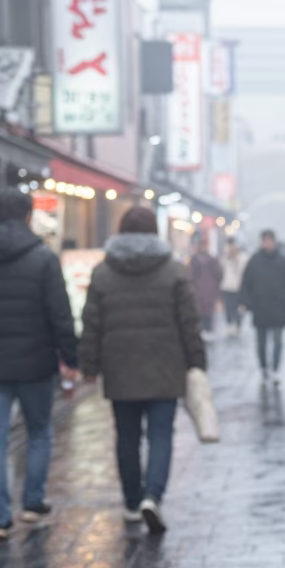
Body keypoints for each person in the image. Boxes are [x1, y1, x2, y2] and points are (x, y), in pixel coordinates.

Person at [0, 187, 78, 541]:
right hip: (36, 363)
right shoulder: (43, 258)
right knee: (38, 432)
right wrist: (71, 357)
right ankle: (33, 502)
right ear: (27, 215)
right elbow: (60, 314)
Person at [79, 207, 206, 534]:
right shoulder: (174, 271)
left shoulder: (103, 273)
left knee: (127, 436)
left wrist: (89, 365)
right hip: (166, 365)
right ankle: (153, 495)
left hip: (119, 367)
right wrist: (196, 361)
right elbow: (189, 322)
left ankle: (132, 502)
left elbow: (92, 322)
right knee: (161, 434)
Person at [241, 229, 285, 383]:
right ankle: (263, 368)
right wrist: (245, 303)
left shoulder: (283, 262)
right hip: (260, 307)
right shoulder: (254, 261)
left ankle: (275, 369)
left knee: (278, 340)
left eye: (269, 240)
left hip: (278, 307)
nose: (267, 244)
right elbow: (246, 283)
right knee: (261, 342)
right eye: (265, 241)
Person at [188, 235, 223, 337]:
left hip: (204, 289)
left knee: (204, 311)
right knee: (205, 311)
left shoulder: (202, 259)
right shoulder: (208, 259)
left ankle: (206, 329)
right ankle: (206, 329)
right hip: (204, 289)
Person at [220, 237, 249, 336]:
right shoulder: (225, 258)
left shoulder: (244, 258)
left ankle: (238, 324)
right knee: (228, 307)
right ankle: (230, 324)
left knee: (240, 308)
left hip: (240, 287)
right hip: (227, 287)